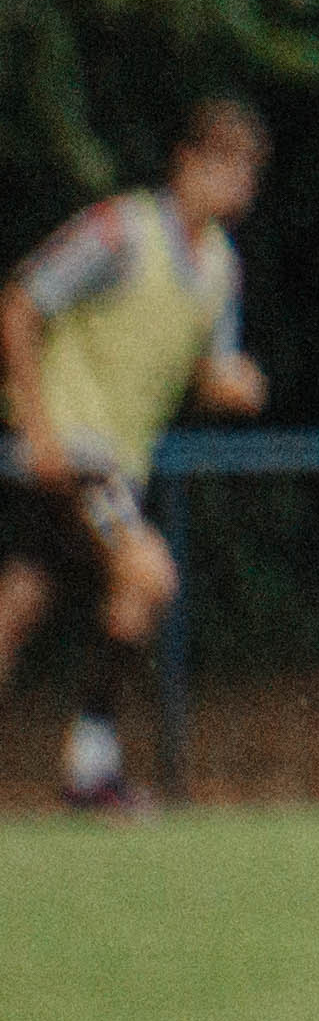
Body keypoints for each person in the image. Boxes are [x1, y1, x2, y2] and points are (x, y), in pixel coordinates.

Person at [0, 98, 268, 816]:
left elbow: (203, 378)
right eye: (225, 166)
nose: (237, 185)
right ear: (186, 162)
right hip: (72, 449)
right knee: (147, 573)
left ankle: (90, 769)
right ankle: (90, 773)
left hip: (118, 464)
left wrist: (229, 385)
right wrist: (37, 427)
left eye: (248, 172)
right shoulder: (120, 232)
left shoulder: (219, 269)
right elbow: (22, 304)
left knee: (19, 607)